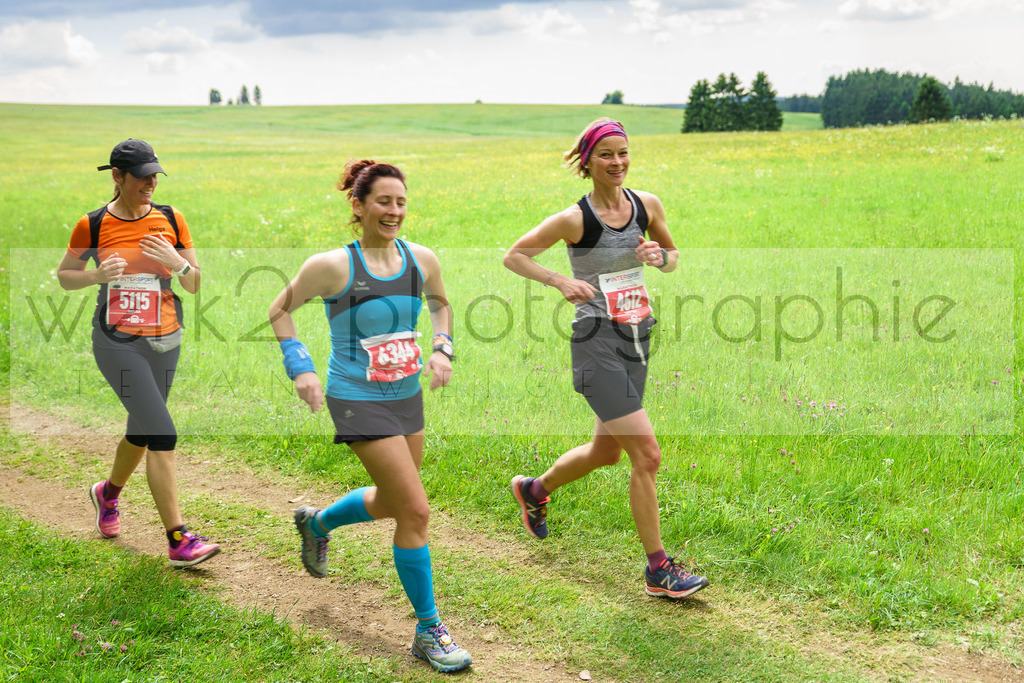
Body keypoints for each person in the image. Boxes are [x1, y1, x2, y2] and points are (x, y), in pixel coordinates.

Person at [268, 159, 471, 674]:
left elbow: (441, 305)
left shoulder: (420, 259)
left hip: (405, 395)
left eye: (401, 202)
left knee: (394, 502)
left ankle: (318, 523)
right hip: (356, 397)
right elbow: (280, 310)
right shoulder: (333, 266)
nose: (394, 211)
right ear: (358, 207)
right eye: (384, 201)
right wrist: (302, 369)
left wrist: (443, 349)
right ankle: (429, 630)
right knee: (416, 512)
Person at [503, 118, 709, 599]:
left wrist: (660, 258)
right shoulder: (575, 219)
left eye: (624, 153)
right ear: (587, 162)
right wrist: (560, 281)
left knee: (606, 451)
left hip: (638, 336)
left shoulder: (646, 205)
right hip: (595, 341)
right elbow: (515, 256)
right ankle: (659, 570)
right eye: (606, 155)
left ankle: (533, 491)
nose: (617, 163)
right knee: (647, 454)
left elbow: (674, 256)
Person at [56, 138, 220, 568]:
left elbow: (195, 283)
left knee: (144, 428)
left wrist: (179, 262)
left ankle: (106, 494)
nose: (151, 183)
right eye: (142, 176)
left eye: (155, 175)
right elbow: (64, 276)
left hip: (166, 339)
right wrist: (95, 276)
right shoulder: (91, 225)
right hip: (116, 342)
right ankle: (179, 539)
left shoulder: (171, 219)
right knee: (162, 431)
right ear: (117, 177)